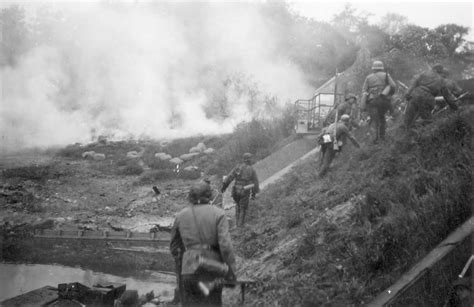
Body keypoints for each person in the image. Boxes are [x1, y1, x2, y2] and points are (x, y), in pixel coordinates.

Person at [170, 181, 237, 306]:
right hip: (213, 269)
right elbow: (225, 247)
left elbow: (175, 248)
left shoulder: (180, 216)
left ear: (190, 196)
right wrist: (231, 271)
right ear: (209, 195)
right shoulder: (218, 214)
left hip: (188, 270)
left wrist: (184, 265)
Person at [404, 64, 458, 129]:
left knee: (407, 118)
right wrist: (455, 107)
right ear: (440, 71)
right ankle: (417, 129)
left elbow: (413, 84)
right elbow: (447, 96)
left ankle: (403, 133)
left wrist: (407, 94)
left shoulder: (424, 73)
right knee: (428, 121)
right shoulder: (441, 80)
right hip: (427, 98)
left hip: (416, 94)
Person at [361, 60, 397, 143]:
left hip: (372, 101)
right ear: (382, 68)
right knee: (382, 118)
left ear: (373, 68)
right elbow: (393, 85)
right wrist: (389, 93)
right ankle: (382, 138)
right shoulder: (386, 75)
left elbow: (364, 91)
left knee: (374, 120)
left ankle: (374, 140)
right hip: (384, 100)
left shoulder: (368, 77)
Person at [221, 153, 259, 227]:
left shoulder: (238, 167)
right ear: (249, 160)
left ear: (244, 160)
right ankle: (240, 226)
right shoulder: (251, 169)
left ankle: (237, 224)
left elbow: (230, 177)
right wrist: (254, 193)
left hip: (235, 191)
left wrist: (224, 186)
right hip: (244, 190)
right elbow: (255, 182)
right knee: (243, 208)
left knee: (238, 207)